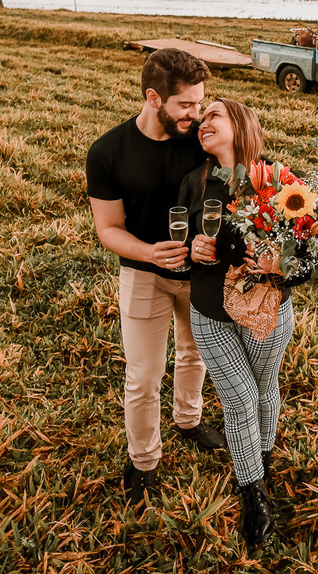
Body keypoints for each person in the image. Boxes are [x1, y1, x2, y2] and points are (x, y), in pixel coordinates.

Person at [85, 47, 225, 516]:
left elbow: (242, 176)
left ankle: (188, 420)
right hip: (144, 274)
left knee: (194, 353)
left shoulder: (201, 141)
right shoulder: (108, 152)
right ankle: (143, 461)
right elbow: (108, 228)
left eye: (200, 102)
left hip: (201, 275)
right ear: (153, 98)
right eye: (185, 104)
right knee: (143, 376)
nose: (195, 114)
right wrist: (148, 252)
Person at [179, 98, 305, 548]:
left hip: (267, 312)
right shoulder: (193, 183)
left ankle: (262, 461)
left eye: (213, 114)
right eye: (201, 118)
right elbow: (178, 246)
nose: (203, 122)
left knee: (266, 386)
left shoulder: (281, 181)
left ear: (240, 124)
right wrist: (190, 250)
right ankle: (253, 493)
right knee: (241, 399)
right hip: (210, 312)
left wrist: (279, 264)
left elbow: (308, 260)